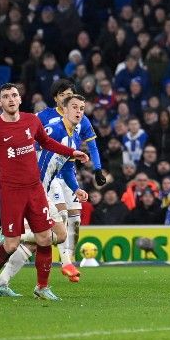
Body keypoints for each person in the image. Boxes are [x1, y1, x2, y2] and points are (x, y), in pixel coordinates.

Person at [0, 83, 89, 302]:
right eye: (6, 96)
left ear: (20, 99)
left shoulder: (31, 121)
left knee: (45, 238)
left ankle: (42, 287)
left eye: (14, 95)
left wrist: (72, 152)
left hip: (35, 190)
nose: (11, 99)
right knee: (11, 244)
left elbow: (46, 143)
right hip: (11, 193)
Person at [37, 80, 105, 280]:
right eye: (64, 96)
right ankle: (64, 260)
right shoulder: (45, 118)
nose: (68, 99)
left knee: (76, 215)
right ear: (56, 98)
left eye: (71, 95)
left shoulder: (80, 119)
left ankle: (70, 259)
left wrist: (98, 169)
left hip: (66, 171)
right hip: (47, 177)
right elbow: (31, 140)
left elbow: (91, 145)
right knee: (61, 216)